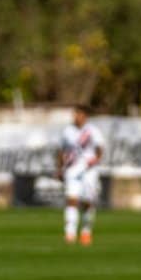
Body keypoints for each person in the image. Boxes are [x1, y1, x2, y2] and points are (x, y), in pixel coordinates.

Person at [58, 105, 104, 245]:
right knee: (71, 199)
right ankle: (70, 233)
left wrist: (93, 161)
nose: (76, 117)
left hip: (89, 170)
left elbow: (100, 149)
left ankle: (86, 231)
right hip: (72, 169)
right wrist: (60, 168)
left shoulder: (93, 131)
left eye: (78, 114)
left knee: (87, 202)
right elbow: (61, 150)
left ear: (85, 116)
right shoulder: (67, 131)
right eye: (75, 114)